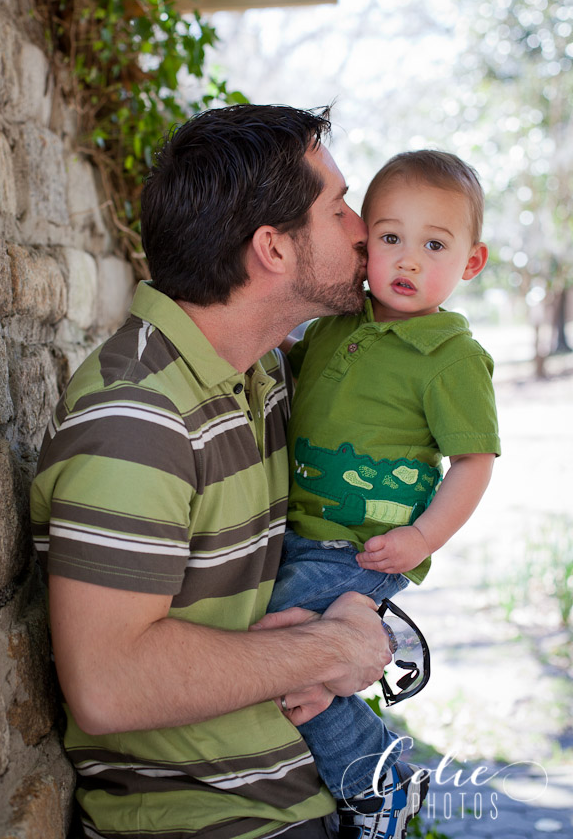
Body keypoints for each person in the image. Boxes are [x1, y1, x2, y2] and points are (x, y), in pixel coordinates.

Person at [30, 104, 397, 839]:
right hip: (218, 820)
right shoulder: (137, 420)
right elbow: (109, 683)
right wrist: (331, 649)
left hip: (305, 786)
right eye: (340, 207)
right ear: (275, 249)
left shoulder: (264, 375)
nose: (364, 229)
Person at [270, 150, 500, 836]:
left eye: (434, 245)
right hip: (299, 533)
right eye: (392, 238)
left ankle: (381, 783)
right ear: (365, 242)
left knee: (279, 647)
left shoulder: (451, 356)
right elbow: (287, 364)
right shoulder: (339, 323)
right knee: (294, 665)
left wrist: (423, 538)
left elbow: (474, 462)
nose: (407, 260)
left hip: (364, 551)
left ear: (471, 262)